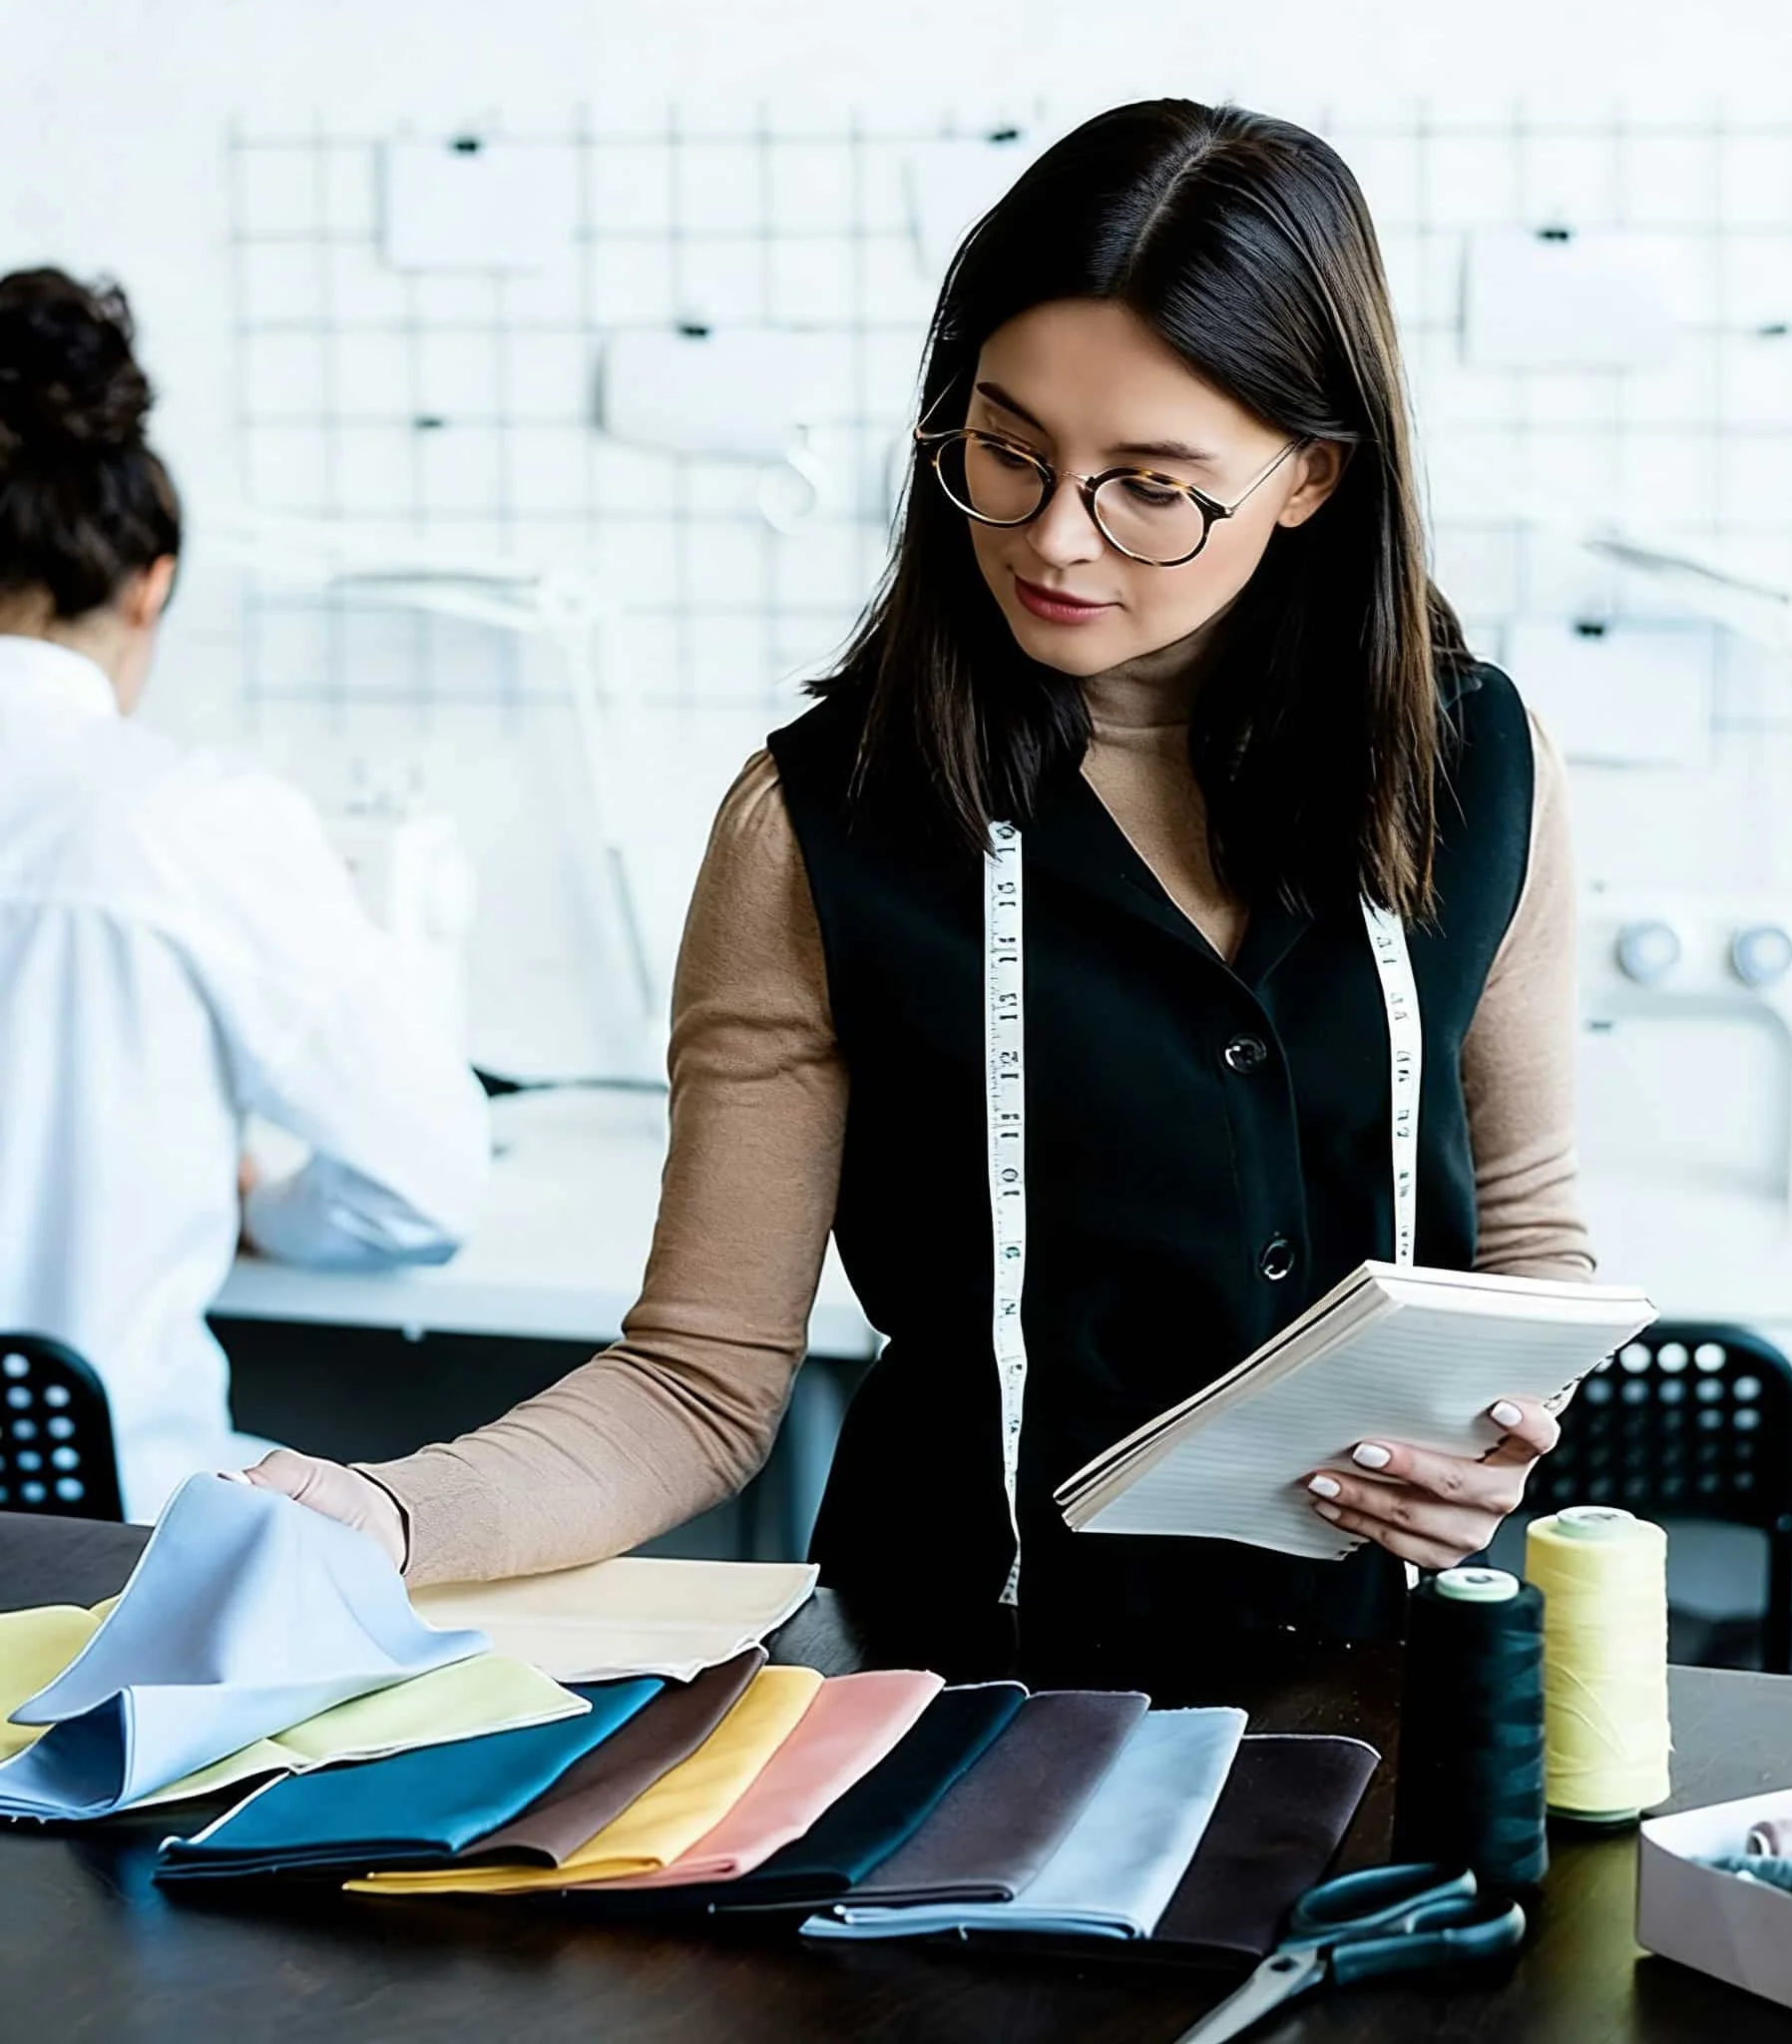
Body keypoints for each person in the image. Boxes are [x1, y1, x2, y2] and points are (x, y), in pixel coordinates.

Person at [257, 99, 1591, 1658]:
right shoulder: (818, 826)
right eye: (1007, 449)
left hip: (1385, 1687)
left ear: (1309, 477)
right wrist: (392, 1516)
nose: (1055, 538)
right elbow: (696, 1383)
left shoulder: (1478, 764)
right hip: (958, 1691)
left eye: (1150, 486)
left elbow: (1532, 1237)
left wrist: (1494, 1441)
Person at [0, 266, 491, 1518]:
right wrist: (270, 1206)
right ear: (149, 584)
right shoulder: (188, 822)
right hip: (96, 1559)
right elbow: (420, 1188)